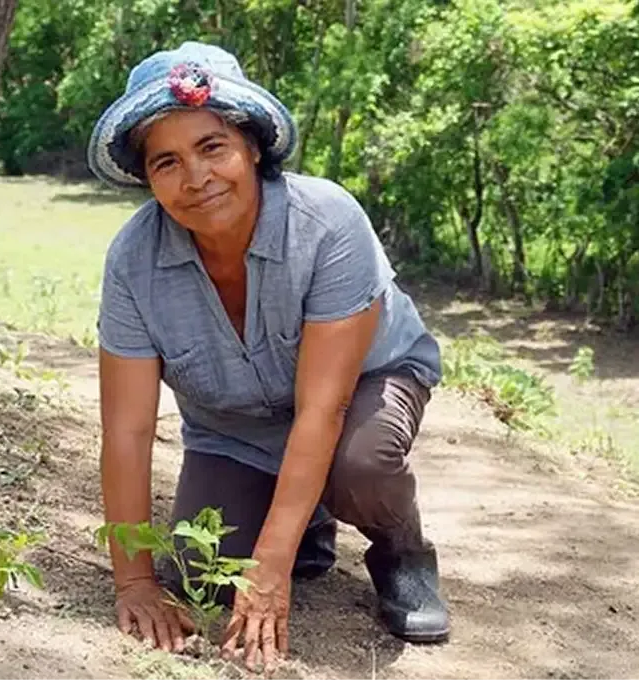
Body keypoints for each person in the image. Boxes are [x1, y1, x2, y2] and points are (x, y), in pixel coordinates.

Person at [87, 41, 450, 672]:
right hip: (238, 427)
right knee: (204, 563)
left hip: (360, 388)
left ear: (252, 146)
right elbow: (126, 430)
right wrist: (134, 583)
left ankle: (402, 550)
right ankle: (304, 525)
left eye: (212, 148)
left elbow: (322, 407)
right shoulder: (131, 261)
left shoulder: (327, 222)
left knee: (360, 464)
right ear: (146, 178)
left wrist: (270, 573)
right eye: (166, 162)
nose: (196, 178)